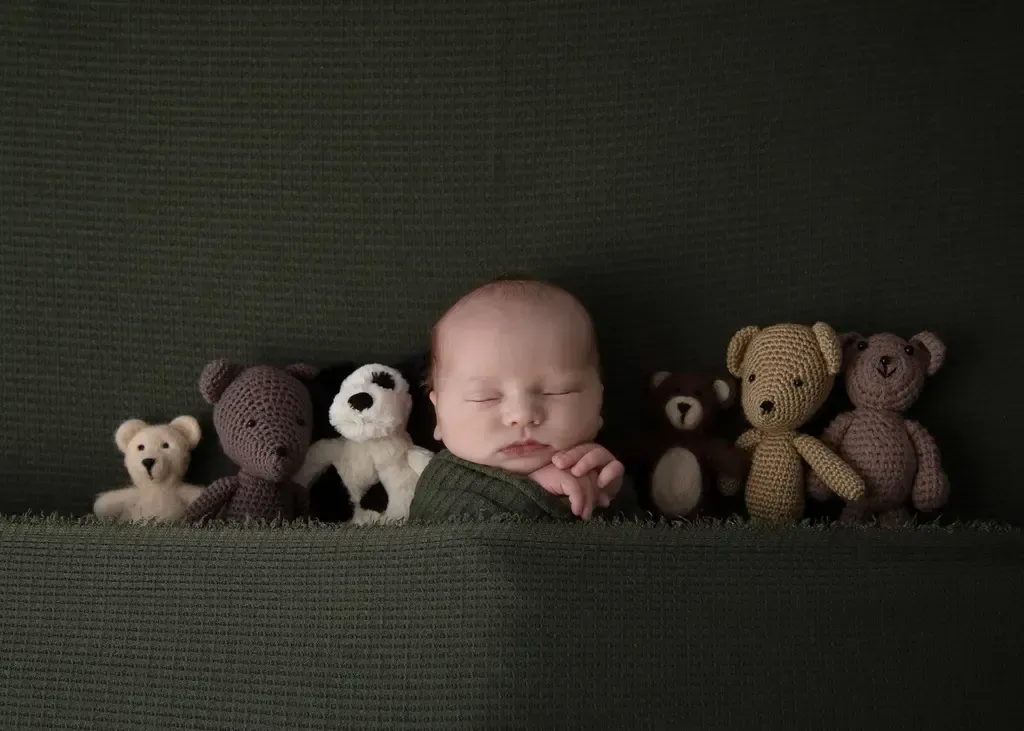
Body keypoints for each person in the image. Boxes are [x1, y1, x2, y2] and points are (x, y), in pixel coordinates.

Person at [412, 276, 624, 520]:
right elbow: (450, 545)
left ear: (598, 402)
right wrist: (536, 490)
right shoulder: (444, 480)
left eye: (557, 391)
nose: (522, 414)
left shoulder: (599, 466)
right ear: (439, 416)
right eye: (485, 397)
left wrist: (608, 496)